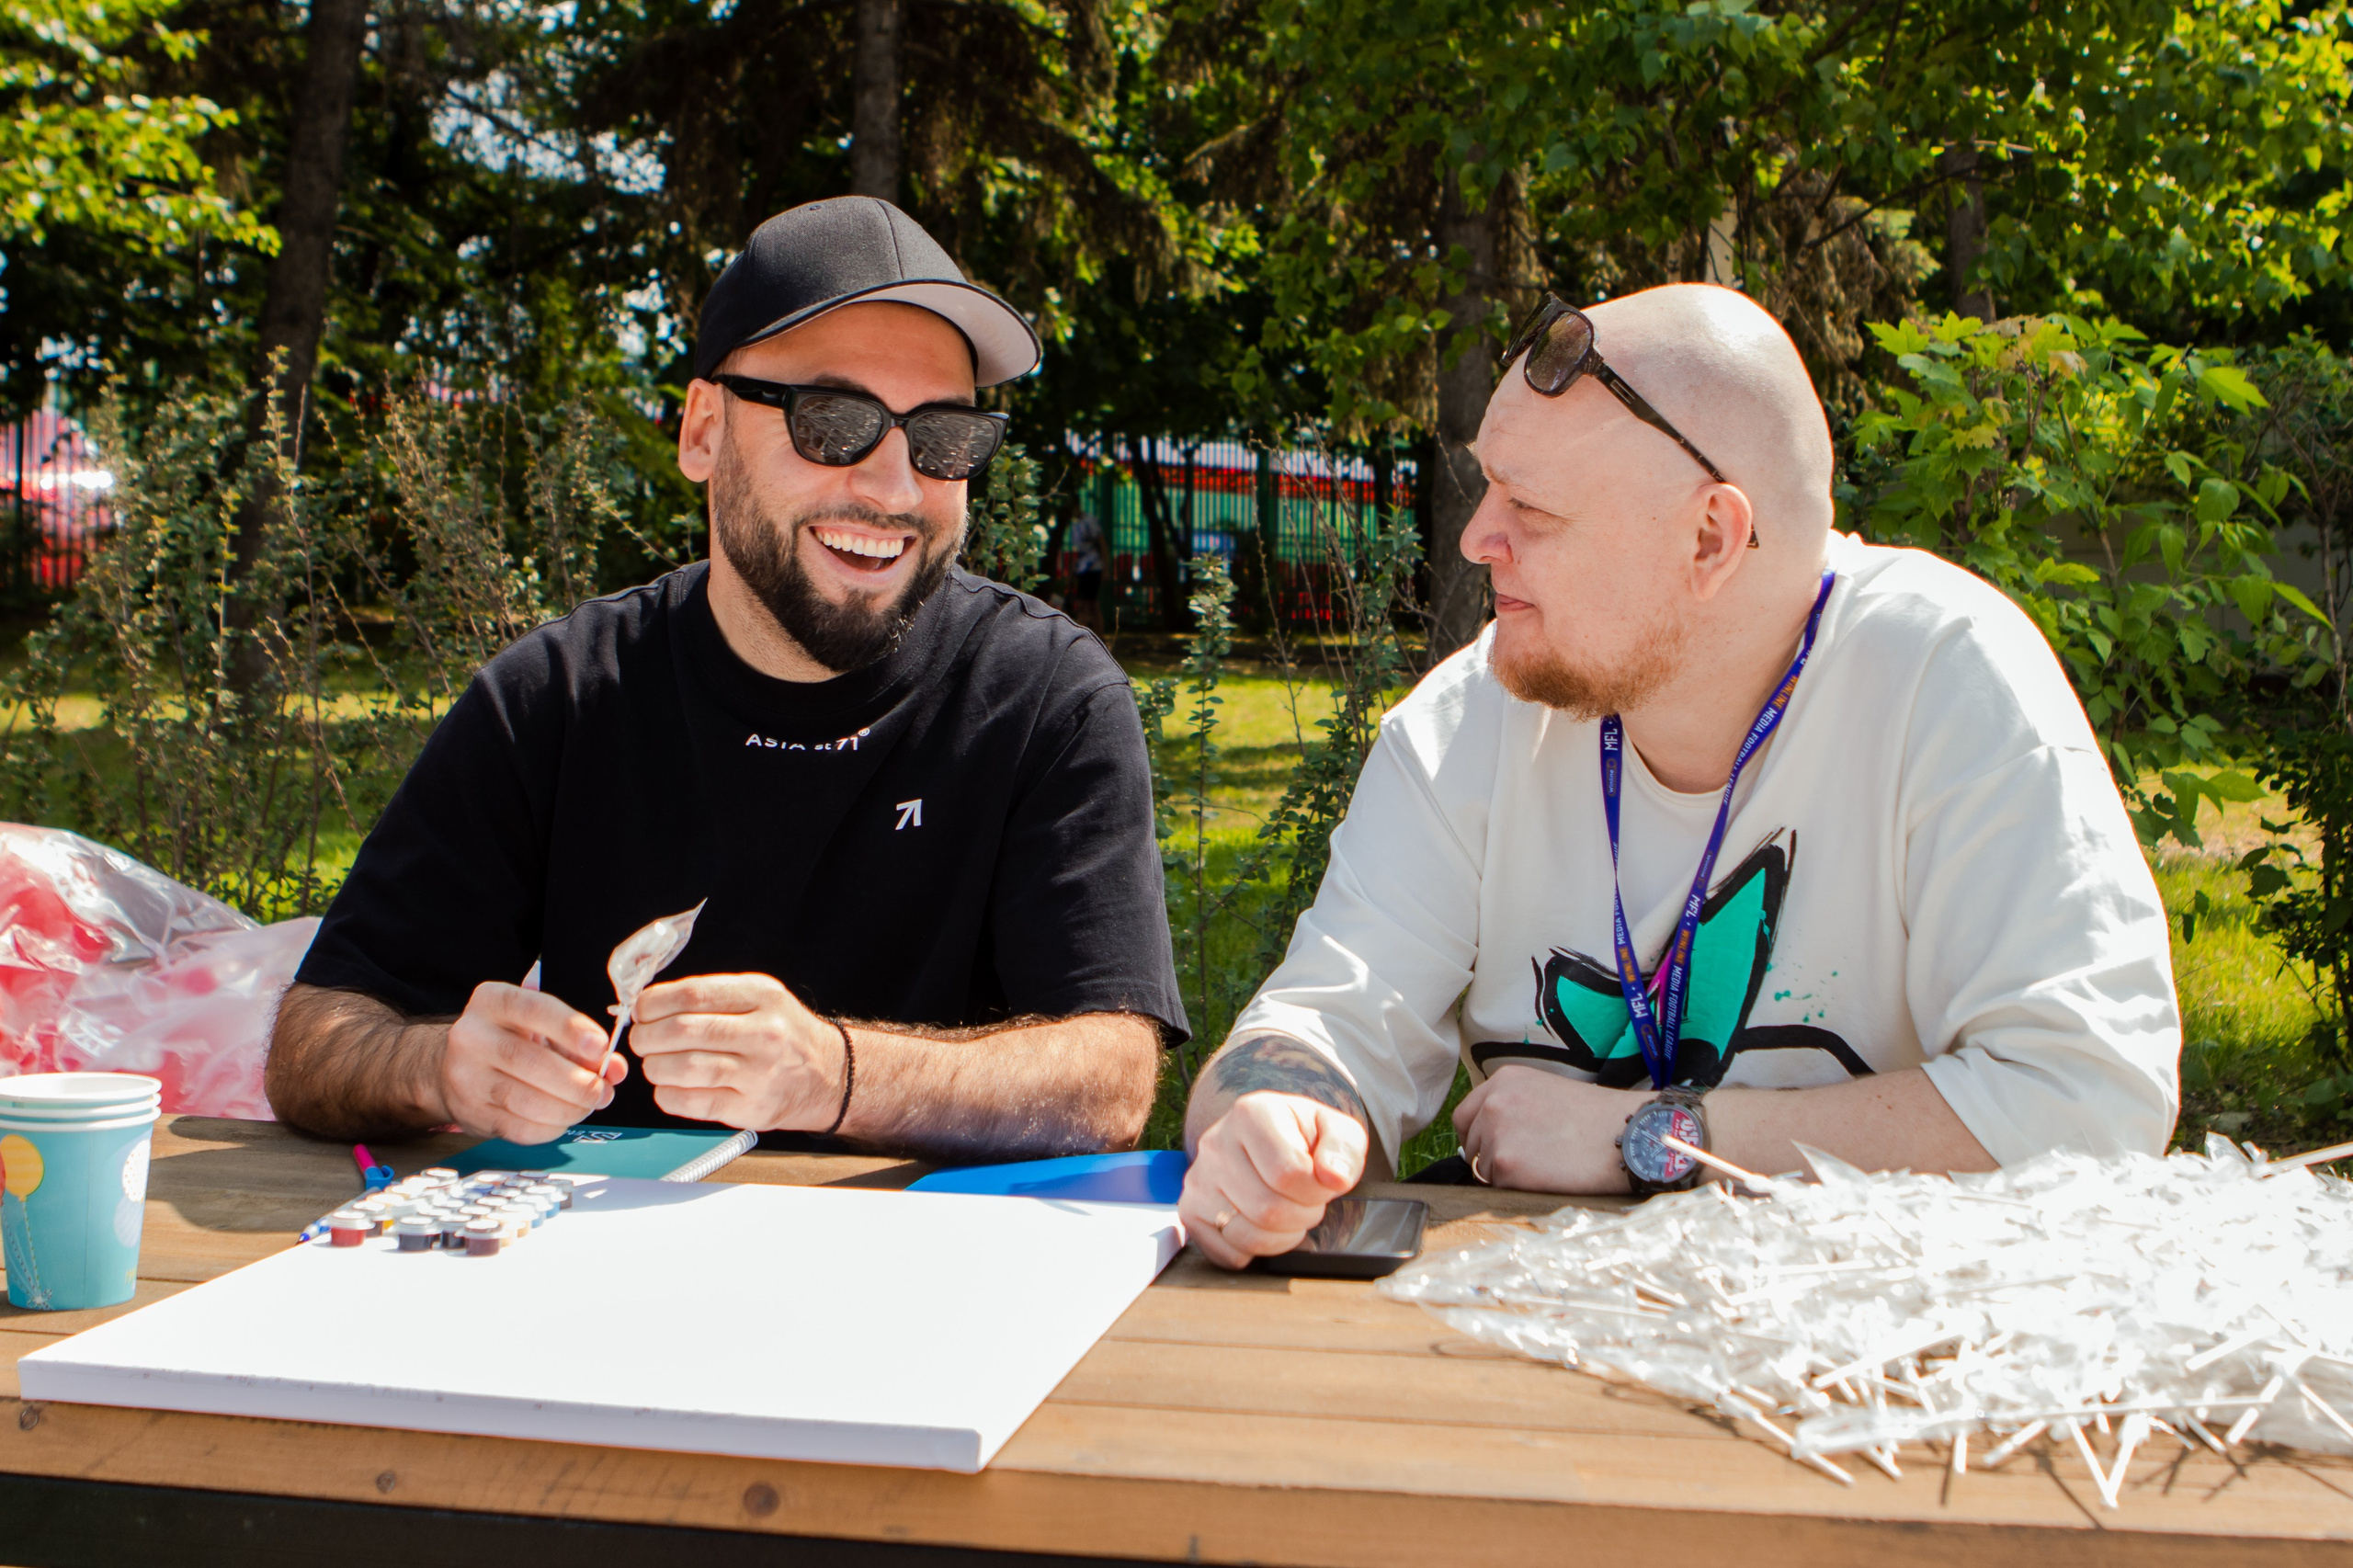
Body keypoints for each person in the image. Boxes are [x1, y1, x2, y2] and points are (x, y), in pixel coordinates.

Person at [1176, 283, 2181, 1268]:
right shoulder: (1468, 726)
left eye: (1531, 506)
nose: (1479, 538)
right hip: (1535, 1333)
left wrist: (1655, 1138)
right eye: (1489, 487)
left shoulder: (1944, 679)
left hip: (1896, 1343)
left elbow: (2092, 1104)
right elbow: (1321, 1026)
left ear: (1710, 537)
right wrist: (1268, 1120)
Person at [267, 196, 1187, 1160]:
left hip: (929, 1243)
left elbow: (1111, 1081)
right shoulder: (560, 696)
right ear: (703, 430)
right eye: (832, 421)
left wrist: (836, 1074)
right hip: (604, 1236)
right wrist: (438, 1067)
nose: (894, 487)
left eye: (944, 436)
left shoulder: (1045, 696)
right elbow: (316, 1038)